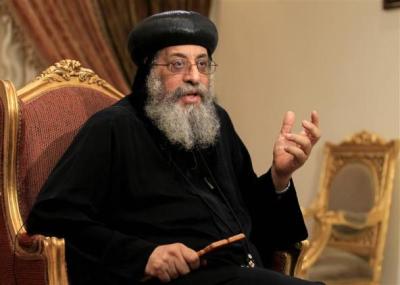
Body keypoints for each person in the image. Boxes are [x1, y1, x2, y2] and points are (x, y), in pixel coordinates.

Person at [26, 10, 322, 285]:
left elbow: (249, 217)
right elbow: (53, 219)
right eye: (178, 64)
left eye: (202, 64)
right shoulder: (113, 128)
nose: (194, 76)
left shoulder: (216, 123)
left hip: (241, 274)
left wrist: (278, 179)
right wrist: (144, 256)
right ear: (149, 72)